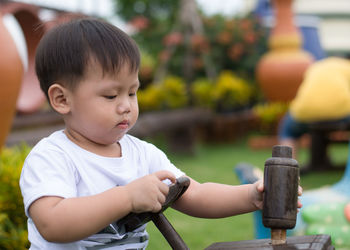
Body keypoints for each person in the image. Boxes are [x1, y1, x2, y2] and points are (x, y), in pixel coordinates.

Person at [20, 17, 301, 250]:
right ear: (61, 99)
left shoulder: (141, 154)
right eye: (110, 95)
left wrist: (251, 197)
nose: (126, 105)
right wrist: (127, 198)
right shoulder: (52, 157)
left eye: (132, 92)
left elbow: (196, 194)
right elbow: (53, 223)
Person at [278, 57, 350, 159]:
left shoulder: (316, 66)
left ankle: (288, 169)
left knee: (288, 131)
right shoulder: (347, 66)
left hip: (305, 112)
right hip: (342, 111)